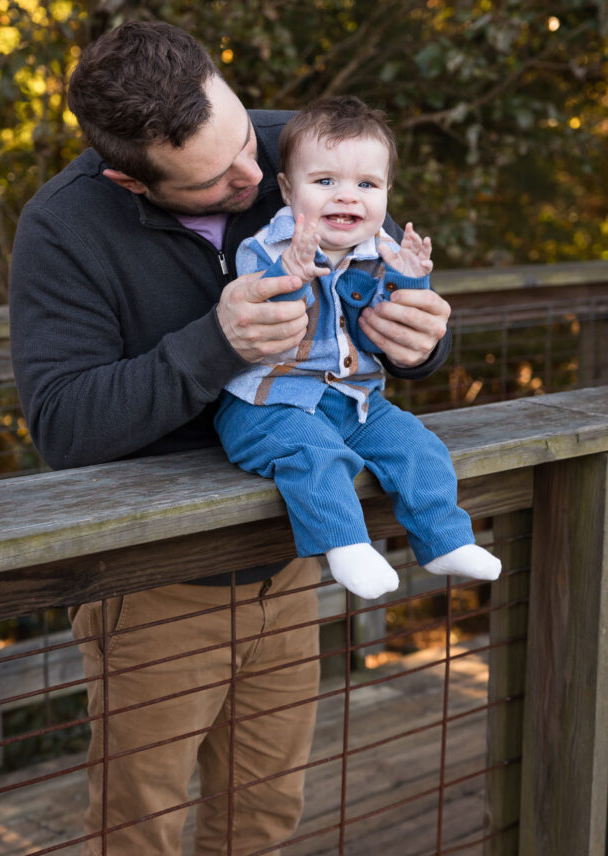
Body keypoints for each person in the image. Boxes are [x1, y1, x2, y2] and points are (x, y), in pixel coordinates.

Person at [9, 21, 453, 855]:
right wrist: (216, 346)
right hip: (154, 583)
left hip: (290, 560)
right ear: (131, 182)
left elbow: (385, 294)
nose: (256, 178)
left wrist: (424, 340)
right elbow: (65, 427)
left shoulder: (299, 148)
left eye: (247, 136)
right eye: (216, 180)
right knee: (138, 831)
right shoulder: (63, 230)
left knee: (261, 817)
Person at [214, 96, 502, 600]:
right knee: (315, 453)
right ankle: (345, 545)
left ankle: (445, 541)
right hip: (268, 405)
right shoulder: (265, 248)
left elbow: (376, 334)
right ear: (286, 189)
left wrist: (408, 280)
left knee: (420, 446)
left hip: (352, 400)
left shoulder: (377, 252)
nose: (347, 196)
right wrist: (293, 274)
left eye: (366, 185)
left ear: (388, 192)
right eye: (325, 182)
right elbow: (268, 318)